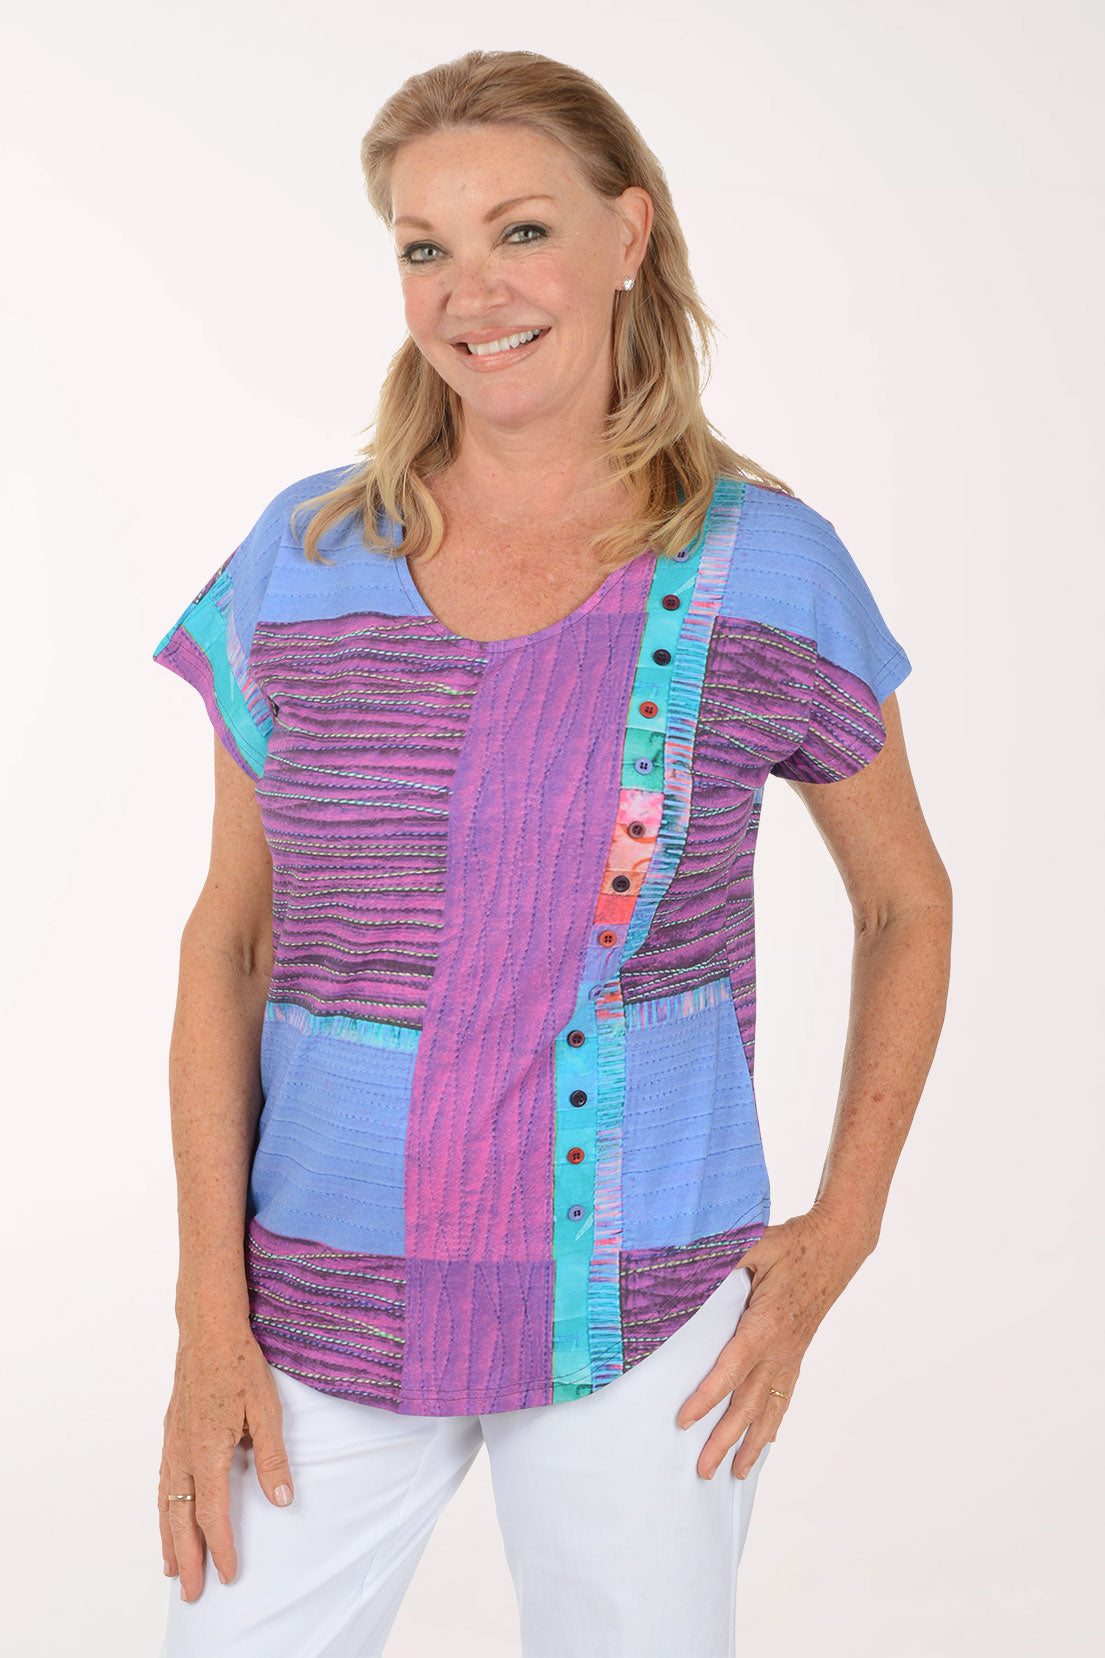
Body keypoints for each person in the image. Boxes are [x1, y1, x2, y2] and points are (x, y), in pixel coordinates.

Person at [151, 47, 952, 1658]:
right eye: (424, 246)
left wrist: (840, 1225)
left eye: (519, 231)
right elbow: (231, 941)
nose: (469, 290)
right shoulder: (300, 558)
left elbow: (902, 901)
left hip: (643, 1295)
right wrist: (205, 1314)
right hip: (316, 1291)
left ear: (627, 234)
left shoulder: (762, 568)